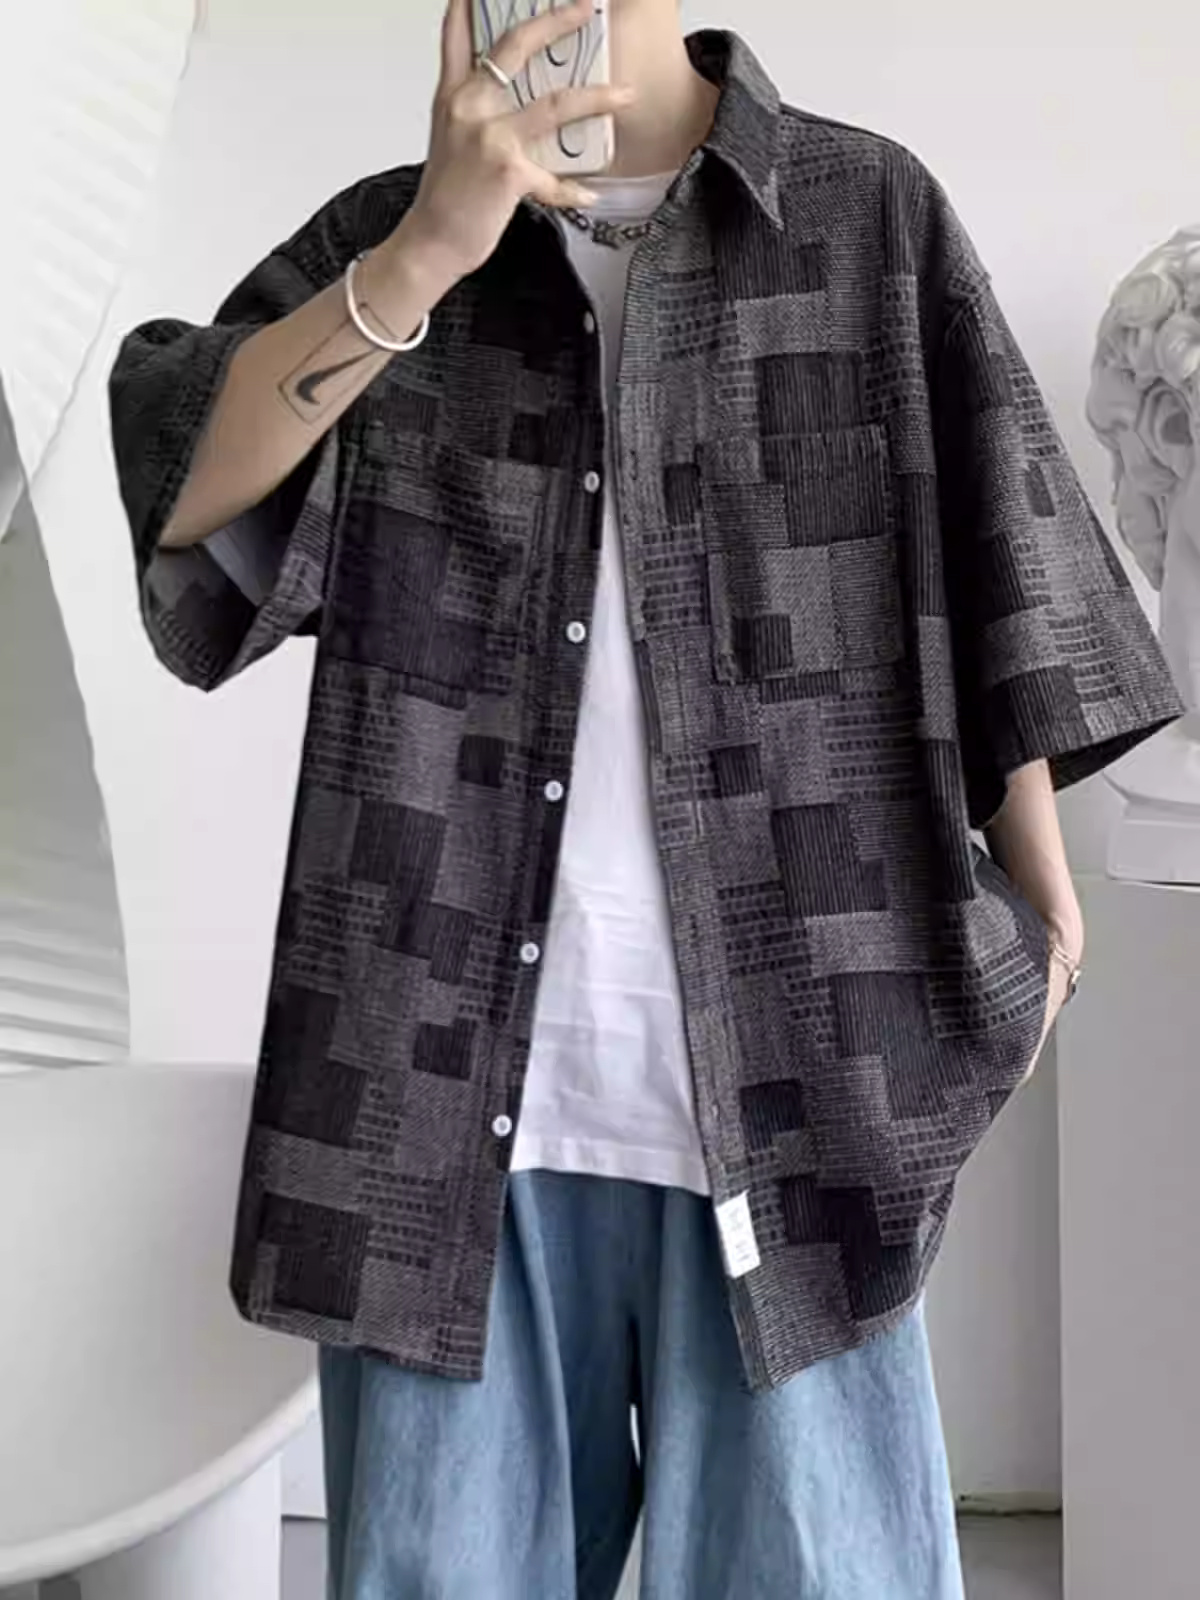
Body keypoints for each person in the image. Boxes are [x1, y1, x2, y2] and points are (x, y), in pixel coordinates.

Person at [108, 1, 1182, 1595]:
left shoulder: (862, 215)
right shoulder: (393, 240)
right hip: (434, 1116)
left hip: (810, 1089)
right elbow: (184, 497)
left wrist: (1047, 931)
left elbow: (989, 559)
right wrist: (430, 250)